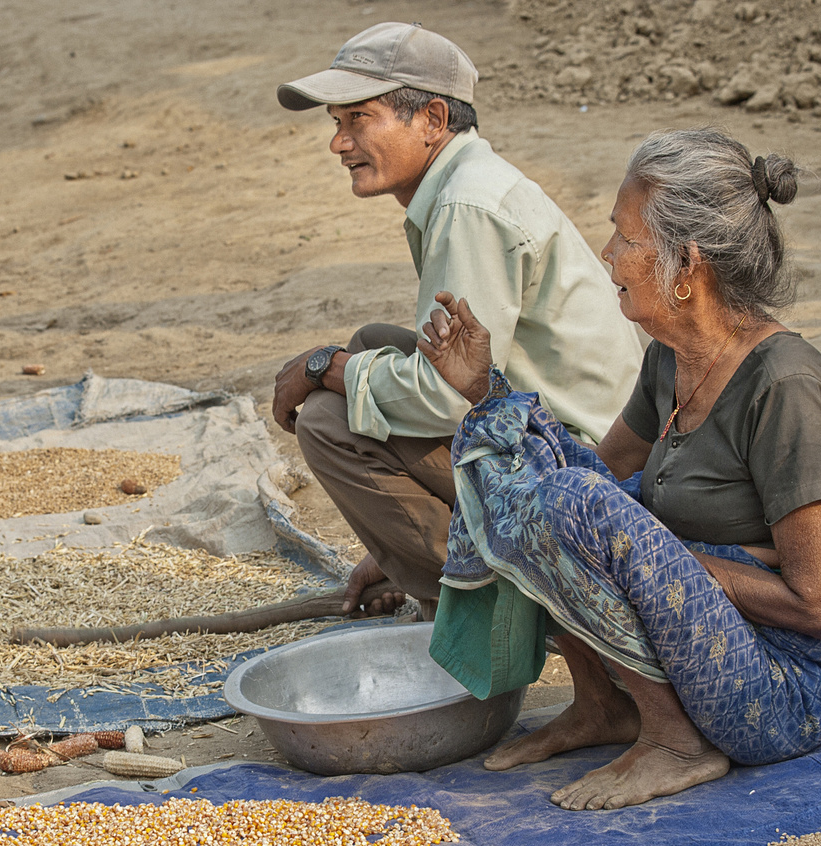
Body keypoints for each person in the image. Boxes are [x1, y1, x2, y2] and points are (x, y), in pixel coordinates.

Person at [419, 128, 821, 809]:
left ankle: (678, 742)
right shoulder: (670, 358)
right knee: (515, 461)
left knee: (574, 506)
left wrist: (673, 562)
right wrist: (486, 392)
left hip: (787, 684)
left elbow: (820, 606)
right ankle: (603, 708)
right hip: (704, 643)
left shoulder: (782, 385)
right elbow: (578, 473)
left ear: (687, 265)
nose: (608, 256)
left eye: (625, 239)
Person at [270, 22, 642, 619]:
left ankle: (491, 606)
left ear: (433, 121)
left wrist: (323, 368)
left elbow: (448, 396)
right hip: (555, 432)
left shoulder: (469, 205)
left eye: (358, 119)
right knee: (373, 346)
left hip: (589, 470)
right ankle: (438, 562)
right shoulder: (462, 187)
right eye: (336, 123)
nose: (338, 143)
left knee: (325, 420)